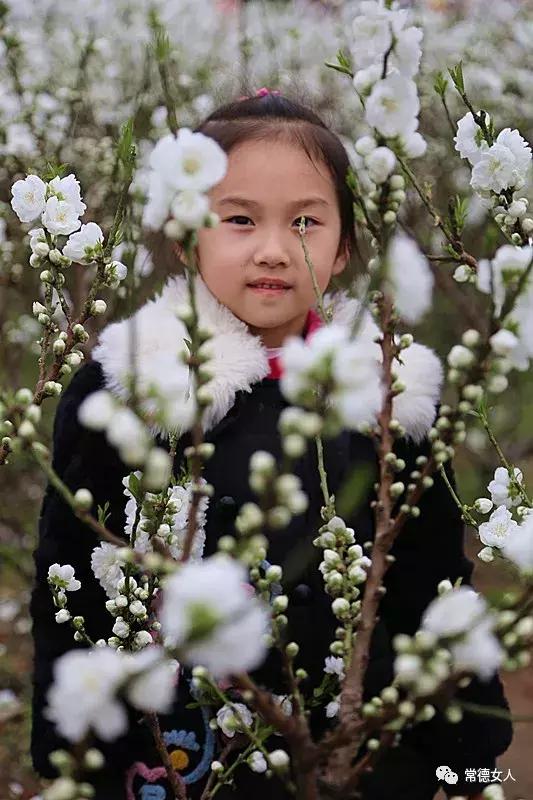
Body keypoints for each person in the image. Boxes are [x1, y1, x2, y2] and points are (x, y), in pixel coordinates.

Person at [31, 90, 513, 800]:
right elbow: (66, 565)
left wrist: (470, 757)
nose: (272, 249)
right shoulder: (129, 384)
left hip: (357, 753)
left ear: (344, 247)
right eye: (238, 219)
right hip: (176, 751)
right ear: (185, 233)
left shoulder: (389, 396)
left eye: (306, 222)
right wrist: (68, 752)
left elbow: (431, 575)